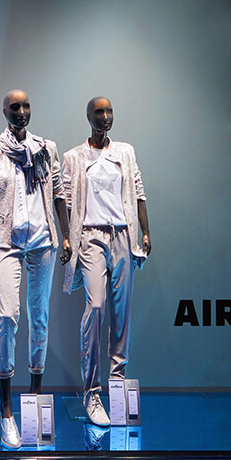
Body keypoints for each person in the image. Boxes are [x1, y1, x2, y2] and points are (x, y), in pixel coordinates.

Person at [0, 89, 70, 449]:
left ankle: (33, 398)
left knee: (40, 316)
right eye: (14, 106)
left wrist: (65, 236)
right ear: (4, 111)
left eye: (25, 106)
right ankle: (6, 410)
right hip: (7, 241)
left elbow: (59, 192)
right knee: (7, 316)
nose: (21, 111)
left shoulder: (46, 148)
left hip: (43, 240)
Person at [61, 96, 150, 427]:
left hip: (123, 235)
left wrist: (146, 232)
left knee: (121, 312)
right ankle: (92, 391)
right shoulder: (74, 157)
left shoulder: (125, 152)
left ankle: (117, 384)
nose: (105, 116)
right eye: (99, 112)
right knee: (96, 305)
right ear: (89, 117)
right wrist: (66, 237)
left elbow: (138, 192)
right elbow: (65, 201)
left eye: (109, 111)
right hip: (90, 236)